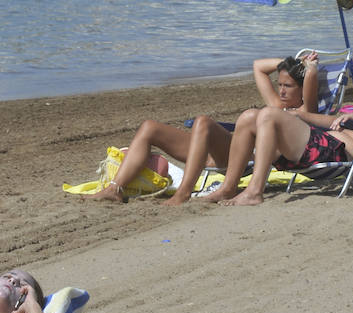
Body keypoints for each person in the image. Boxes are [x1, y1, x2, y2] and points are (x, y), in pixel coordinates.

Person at [86, 54, 324, 205]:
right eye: (279, 84)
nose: (281, 91)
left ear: (302, 88)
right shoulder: (275, 104)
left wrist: (308, 69)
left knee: (203, 121)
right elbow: (258, 66)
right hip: (214, 152)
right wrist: (292, 62)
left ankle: (183, 194)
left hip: (241, 161)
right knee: (149, 128)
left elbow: (310, 85)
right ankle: (114, 190)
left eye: (288, 86)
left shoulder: (303, 111)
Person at [204, 68, 353, 207]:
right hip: (321, 144)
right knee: (250, 116)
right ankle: (229, 187)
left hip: (333, 153)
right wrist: (300, 115)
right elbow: (333, 122)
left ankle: (254, 191)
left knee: (269, 114)